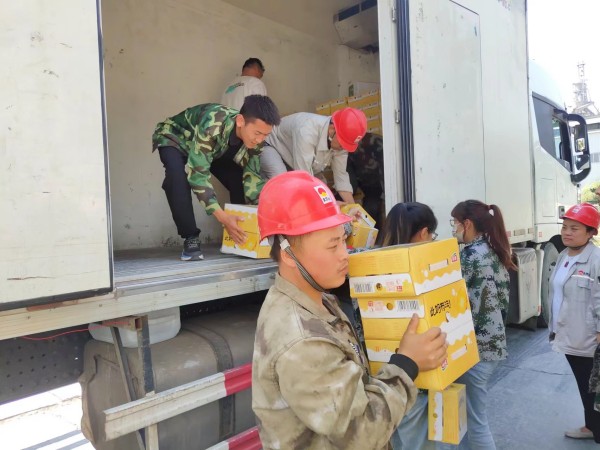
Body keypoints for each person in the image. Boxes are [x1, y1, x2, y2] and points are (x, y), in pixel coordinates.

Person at [252, 171, 449, 449]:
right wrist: (407, 364)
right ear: (288, 254)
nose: (345, 254)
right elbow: (361, 433)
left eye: (343, 240)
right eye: (333, 245)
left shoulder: (319, 299)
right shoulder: (301, 341)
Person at [152, 95, 280, 261]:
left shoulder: (256, 141)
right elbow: (198, 176)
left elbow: (252, 179)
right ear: (240, 121)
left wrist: (264, 218)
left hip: (211, 148)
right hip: (175, 138)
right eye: (257, 133)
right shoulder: (212, 126)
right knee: (177, 178)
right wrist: (223, 217)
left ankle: (241, 235)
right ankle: (190, 237)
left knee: (237, 177)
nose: (260, 140)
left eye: (265, 135)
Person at [441, 200, 516, 450]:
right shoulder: (493, 250)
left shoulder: (469, 256)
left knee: (475, 421)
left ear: (467, 224)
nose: (453, 228)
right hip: (491, 345)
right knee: (468, 417)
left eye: (454, 223)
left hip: (475, 349)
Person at [377, 203, 438, 450]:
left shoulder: (369, 264)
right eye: (432, 234)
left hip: (379, 377)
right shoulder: (420, 273)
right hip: (413, 379)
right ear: (423, 233)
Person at [548, 203, 600, 442]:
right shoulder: (563, 256)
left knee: (593, 389)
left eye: (574, 228)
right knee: (585, 386)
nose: (567, 233)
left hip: (588, 339)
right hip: (568, 334)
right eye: (565, 227)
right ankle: (591, 427)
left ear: (590, 233)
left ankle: (596, 430)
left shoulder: (596, 259)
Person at [259, 108, 367, 204]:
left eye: (347, 145)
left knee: (323, 189)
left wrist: (352, 207)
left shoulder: (341, 141)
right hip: (273, 146)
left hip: (295, 159)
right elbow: (304, 178)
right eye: (342, 143)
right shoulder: (306, 131)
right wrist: (333, 204)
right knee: (282, 182)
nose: (343, 148)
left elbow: (341, 177)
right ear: (332, 129)